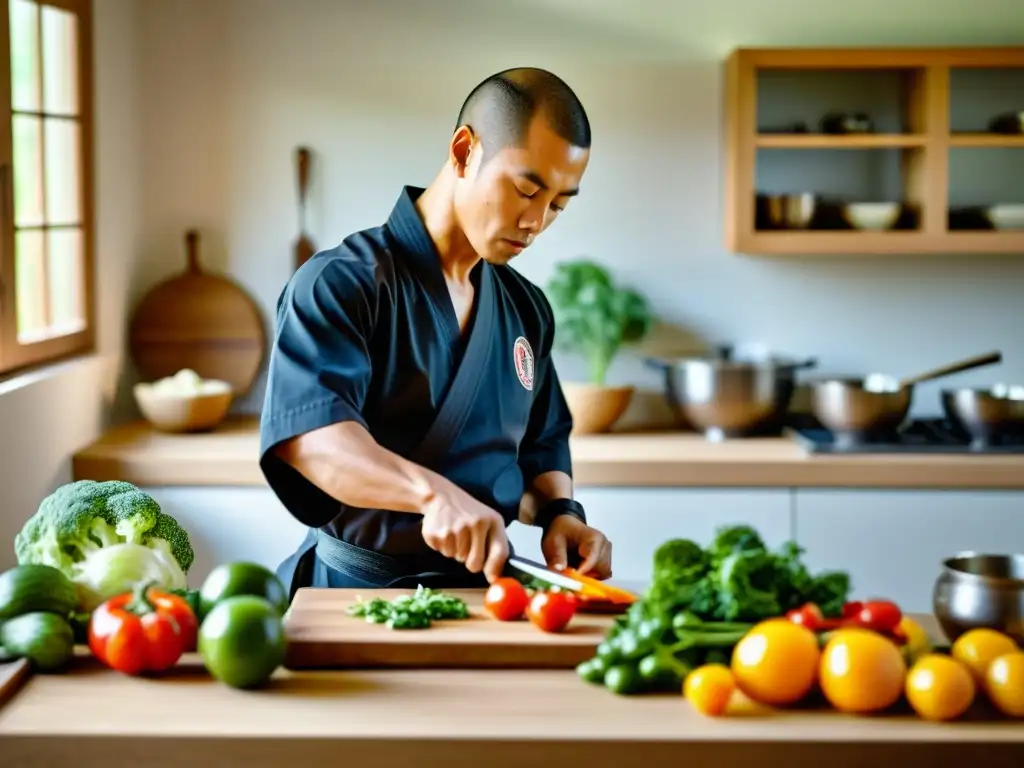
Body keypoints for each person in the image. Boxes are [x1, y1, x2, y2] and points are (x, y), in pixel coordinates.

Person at [259, 67, 613, 600]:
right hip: (353, 598)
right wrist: (432, 496)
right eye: (525, 189)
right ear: (465, 151)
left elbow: (541, 447)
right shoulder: (341, 283)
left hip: (491, 598)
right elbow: (313, 440)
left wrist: (562, 516)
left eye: (558, 204)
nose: (536, 221)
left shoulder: (525, 307)